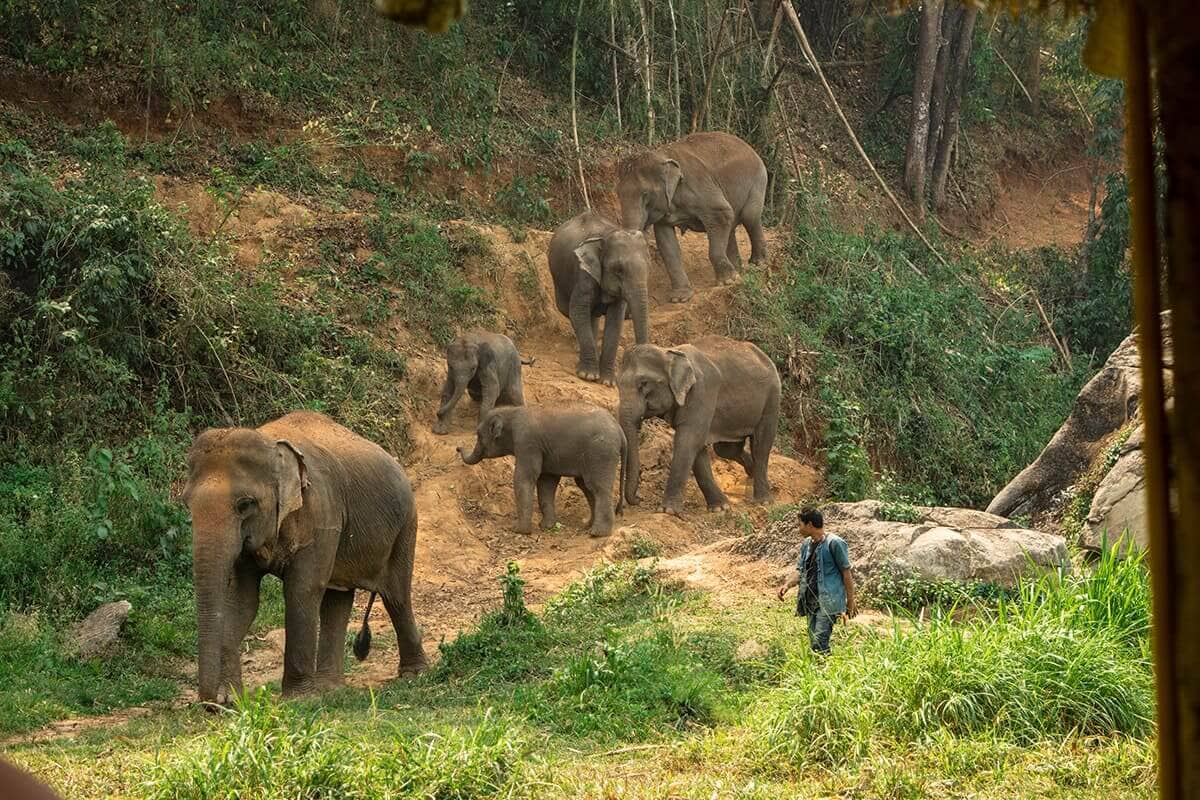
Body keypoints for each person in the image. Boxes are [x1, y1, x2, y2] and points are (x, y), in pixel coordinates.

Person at [776, 507, 857, 655]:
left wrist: (850, 601)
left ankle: (823, 673)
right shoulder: (807, 544)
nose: (798, 528)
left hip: (828, 602)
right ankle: (822, 671)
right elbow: (800, 570)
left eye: (800, 524)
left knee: (819, 643)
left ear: (810, 525)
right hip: (810, 600)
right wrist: (786, 585)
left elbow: (846, 573)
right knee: (814, 640)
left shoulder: (835, 543)